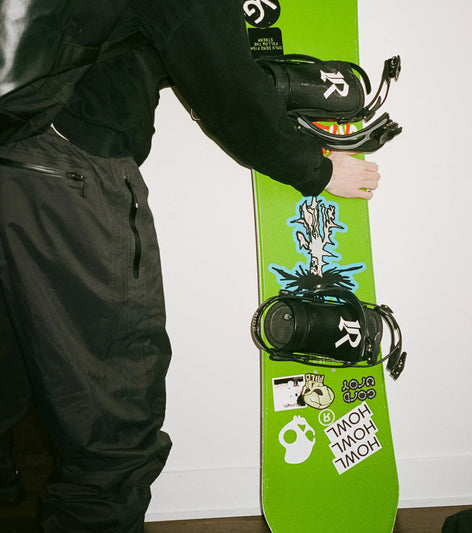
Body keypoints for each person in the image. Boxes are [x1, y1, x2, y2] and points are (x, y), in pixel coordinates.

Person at [0, 1, 381, 531]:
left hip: (16, 150)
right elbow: (225, 84)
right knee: (112, 410)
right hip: (66, 170)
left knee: (10, 362)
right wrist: (317, 170)